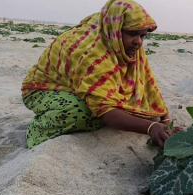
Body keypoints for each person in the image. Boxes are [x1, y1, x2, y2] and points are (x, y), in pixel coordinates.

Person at [21, 0, 177, 149]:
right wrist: (150, 127)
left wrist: (165, 121)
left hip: (77, 86)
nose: (138, 41)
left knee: (128, 109)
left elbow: (148, 85)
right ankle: (38, 129)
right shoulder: (90, 51)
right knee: (85, 113)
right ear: (115, 28)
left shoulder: (124, 45)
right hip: (42, 90)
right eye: (132, 33)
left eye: (143, 36)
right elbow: (106, 112)